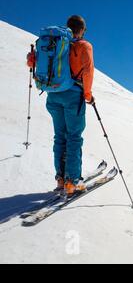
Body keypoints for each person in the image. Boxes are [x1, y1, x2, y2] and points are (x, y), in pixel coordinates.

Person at [27, 15, 95, 197]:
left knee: (60, 137)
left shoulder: (55, 43)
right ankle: (72, 182)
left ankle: (60, 179)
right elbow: (87, 71)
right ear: (81, 30)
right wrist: (88, 95)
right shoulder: (83, 46)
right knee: (74, 137)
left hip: (53, 95)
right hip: (73, 96)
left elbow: (31, 62)